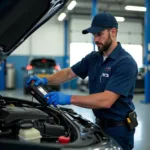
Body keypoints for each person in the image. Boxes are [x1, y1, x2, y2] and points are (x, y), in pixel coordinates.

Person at [26, 12, 138, 150]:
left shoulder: (125, 63)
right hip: (99, 124)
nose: (95, 39)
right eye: (94, 35)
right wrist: (44, 80)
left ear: (113, 32)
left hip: (119, 129)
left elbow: (106, 100)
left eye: (99, 34)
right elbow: (68, 73)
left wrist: (69, 98)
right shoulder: (94, 58)